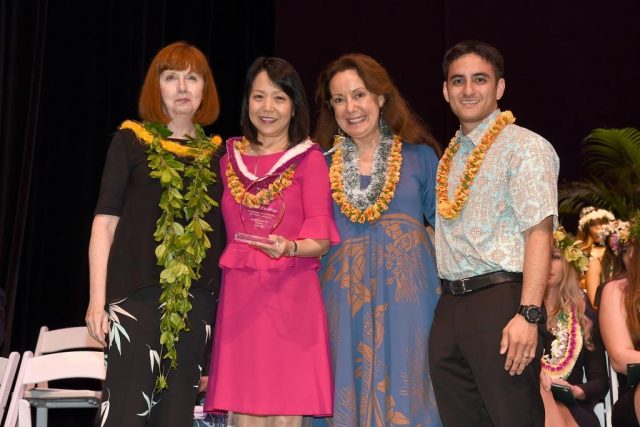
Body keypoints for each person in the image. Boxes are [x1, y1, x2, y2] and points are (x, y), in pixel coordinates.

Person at [86, 41, 224, 426]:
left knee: (176, 415)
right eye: (171, 77)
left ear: (204, 89)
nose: (182, 87)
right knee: (126, 412)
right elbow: (105, 223)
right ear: (157, 86)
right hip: (135, 299)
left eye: (192, 77)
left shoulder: (220, 156)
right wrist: (97, 300)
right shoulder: (129, 141)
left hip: (196, 305)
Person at [429, 40, 559, 427]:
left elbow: (539, 233)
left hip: (501, 304)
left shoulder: (525, 147)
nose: (468, 90)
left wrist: (529, 313)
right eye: (458, 81)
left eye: (480, 79)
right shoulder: (449, 157)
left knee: (513, 418)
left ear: (499, 88)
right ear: (445, 91)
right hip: (450, 306)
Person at [204, 57, 339, 427]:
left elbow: (321, 239)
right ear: (247, 101)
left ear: (294, 105)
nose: (267, 108)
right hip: (241, 300)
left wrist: (289, 247)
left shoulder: (309, 161)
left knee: (285, 413)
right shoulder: (226, 159)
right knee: (242, 410)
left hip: (292, 296)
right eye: (259, 96)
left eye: (279, 98)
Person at [312, 53, 442, 426]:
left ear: (381, 98)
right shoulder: (319, 166)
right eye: (339, 99)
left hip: (410, 306)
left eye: (359, 95)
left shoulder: (420, 158)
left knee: (411, 392)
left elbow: (446, 235)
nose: (350, 108)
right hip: (340, 305)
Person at [538, 226, 608, 427]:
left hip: (574, 406)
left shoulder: (582, 312)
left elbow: (600, 381)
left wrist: (576, 391)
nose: (547, 263)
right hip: (530, 403)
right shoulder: (521, 313)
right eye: (542, 255)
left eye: (555, 257)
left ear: (568, 263)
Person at [599, 215, 640, 426]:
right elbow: (620, 357)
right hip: (635, 392)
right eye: (624, 250)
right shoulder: (616, 291)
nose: (628, 256)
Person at [576, 206, 615, 306]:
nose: (598, 227)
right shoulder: (581, 252)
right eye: (593, 225)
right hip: (591, 304)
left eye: (602, 222)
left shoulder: (617, 250)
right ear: (586, 229)